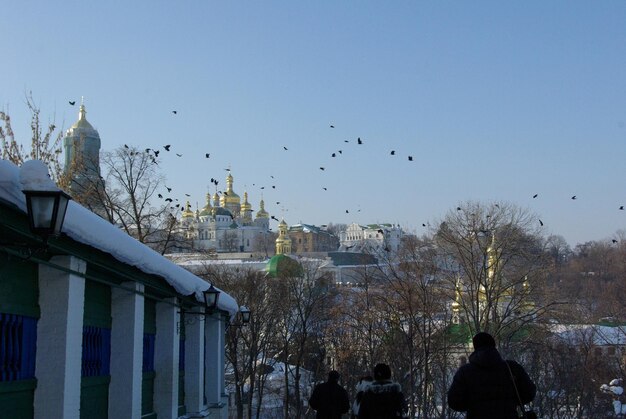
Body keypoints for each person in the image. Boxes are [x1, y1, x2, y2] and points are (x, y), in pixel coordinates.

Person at [447, 332, 537, 419]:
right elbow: (529, 393)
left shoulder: (465, 372)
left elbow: (454, 402)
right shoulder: (511, 368)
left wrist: (473, 404)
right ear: (494, 346)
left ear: (475, 347)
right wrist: (510, 401)